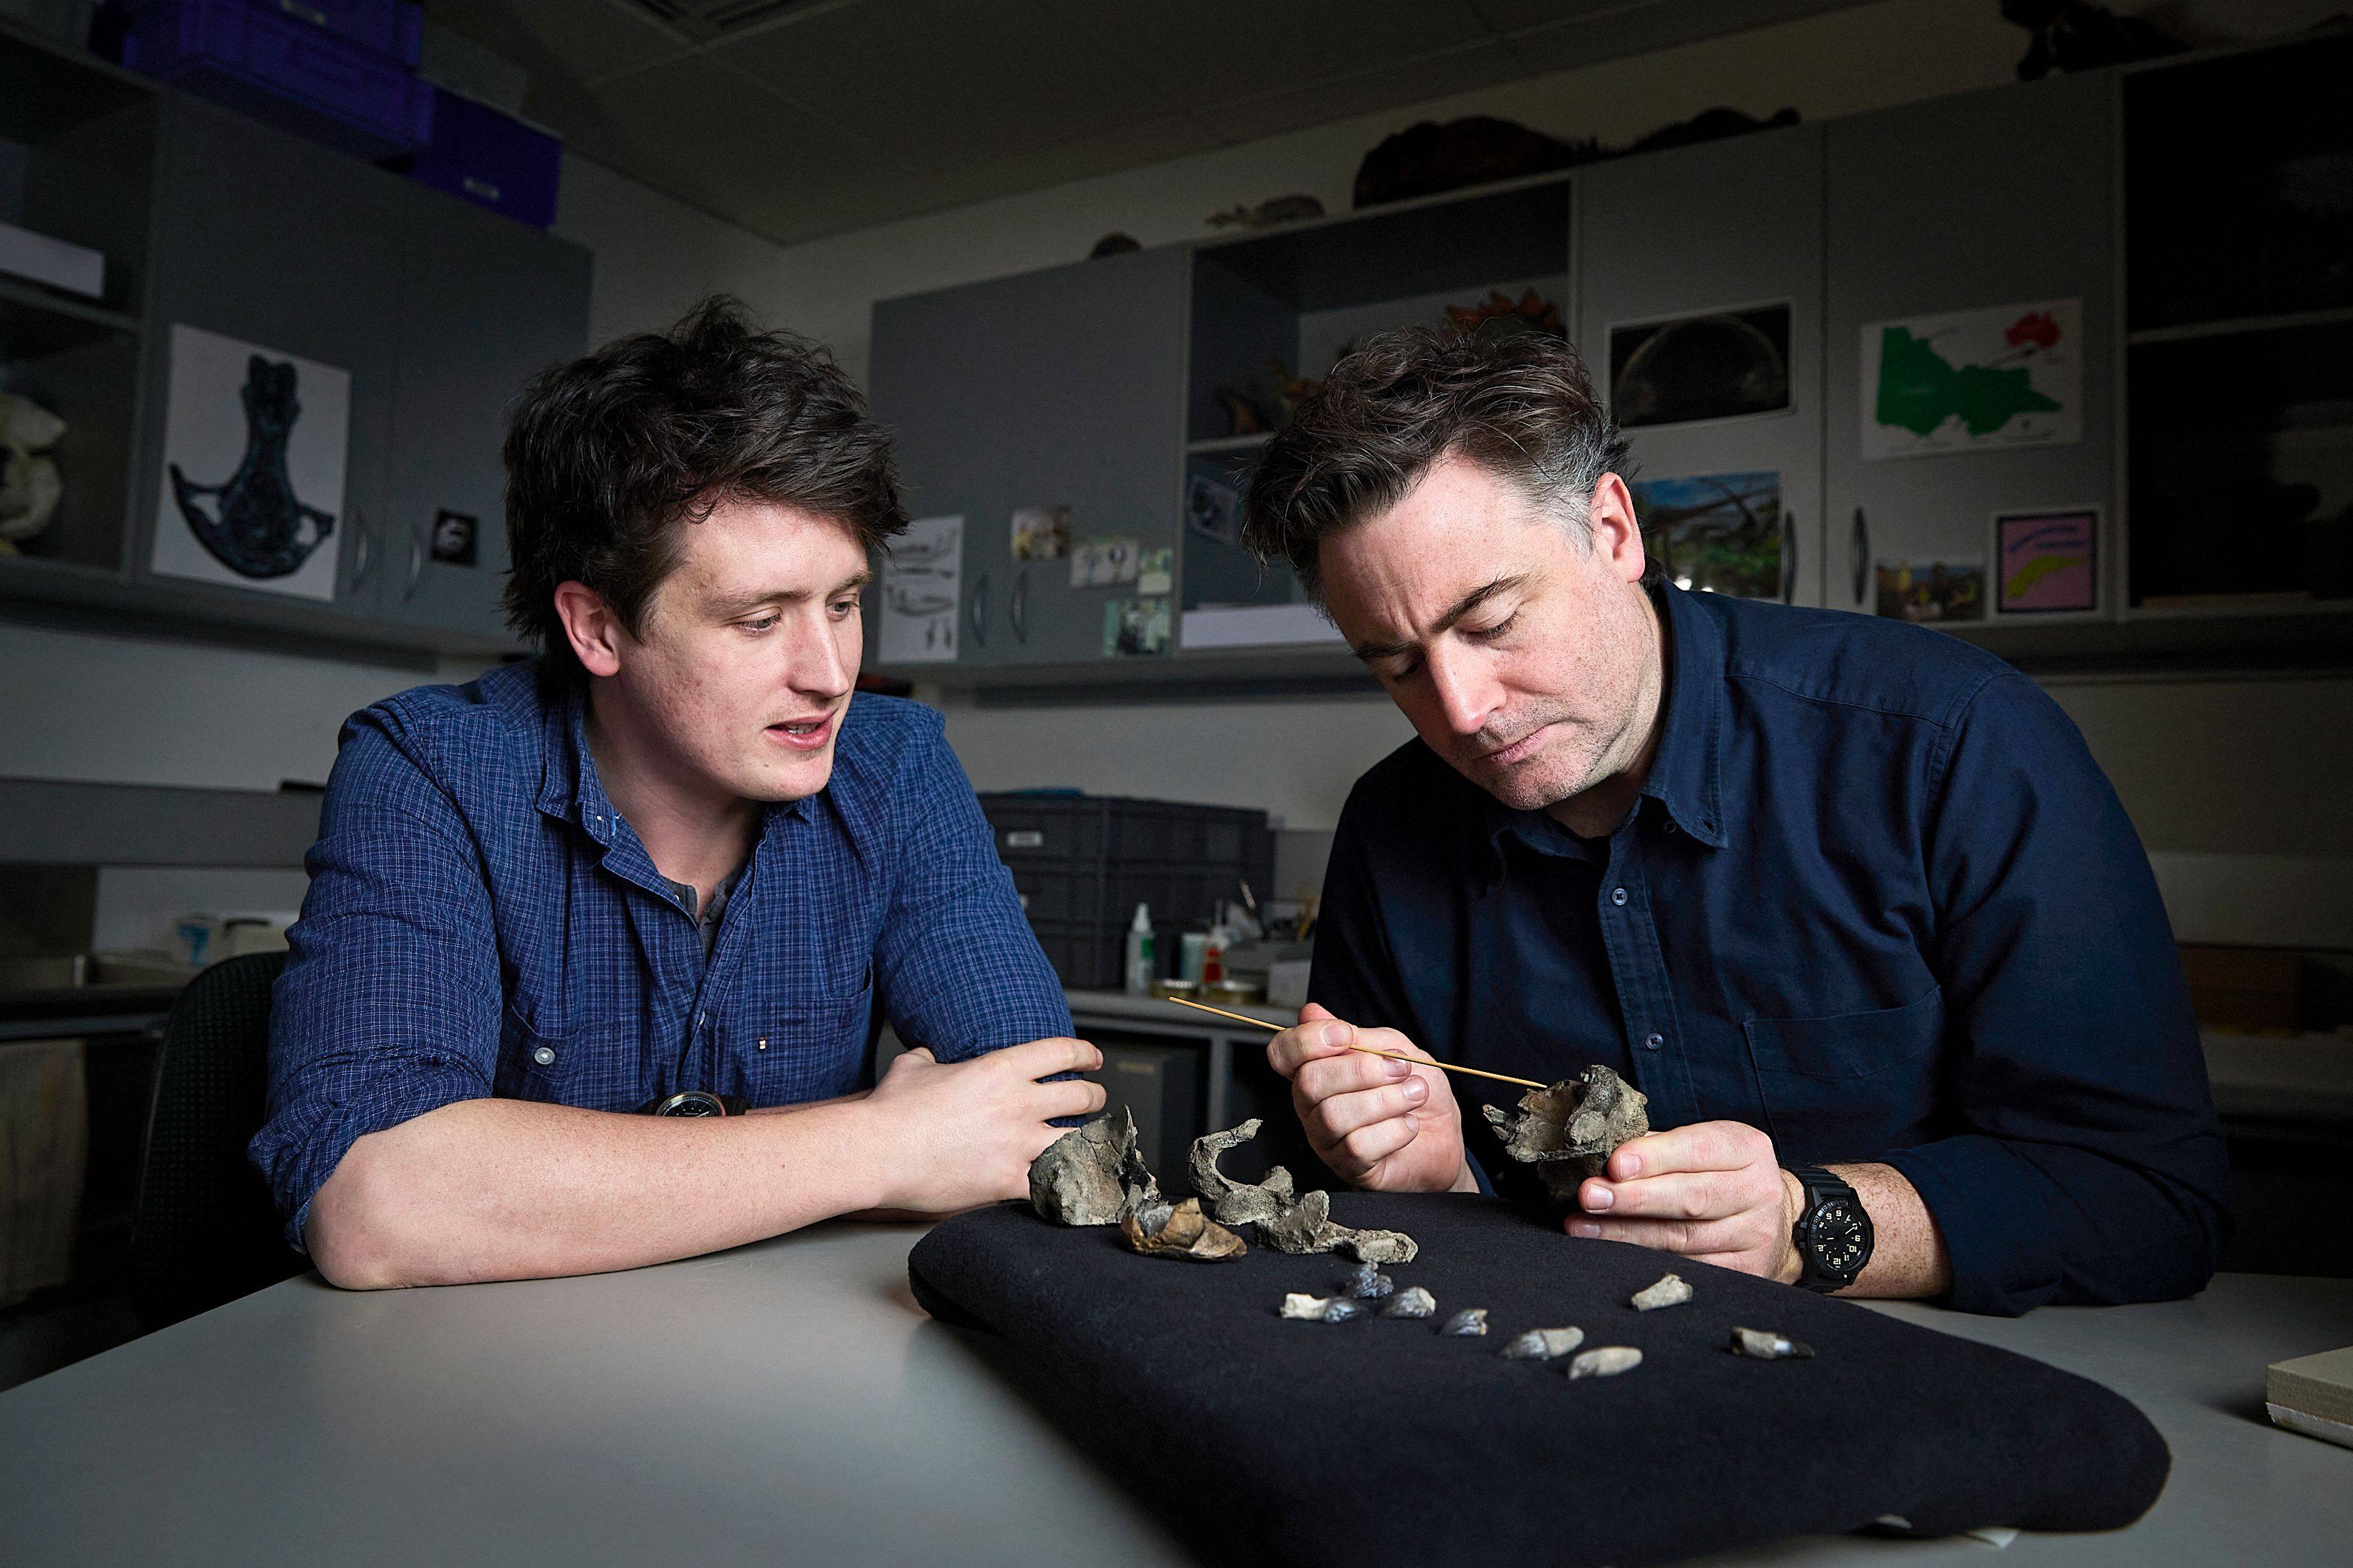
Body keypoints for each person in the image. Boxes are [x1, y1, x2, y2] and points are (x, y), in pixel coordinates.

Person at [1239, 327, 2228, 1316]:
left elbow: (2150, 1198)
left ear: (1614, 531)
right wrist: (1433, 1179)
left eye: (1492, 623)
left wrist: (1805, 1226)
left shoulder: (1954, 743)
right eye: (1398, 665)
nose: (1460, 709)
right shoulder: (1390, 822)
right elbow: (1388, 1231)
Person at [254, 300, 1101, 1290]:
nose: (830, 674)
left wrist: (539, 1179)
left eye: (844, 603)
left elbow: (1048, 1129)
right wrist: (878, 1146)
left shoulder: (895, 764)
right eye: (757, 620)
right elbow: (375, 1205)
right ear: (599, 629)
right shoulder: (427, 768)